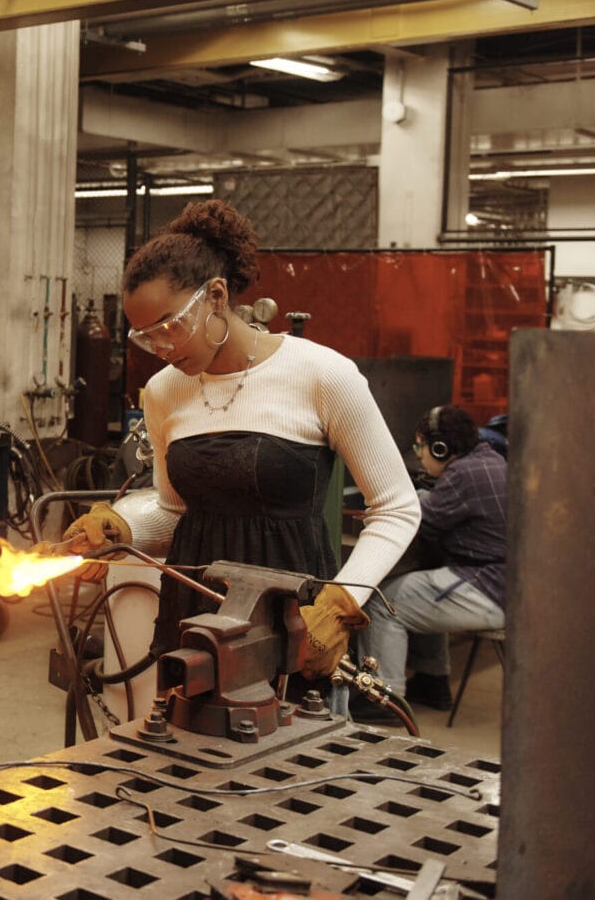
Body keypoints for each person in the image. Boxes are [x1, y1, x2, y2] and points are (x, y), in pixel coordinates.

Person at [63, 199, 420, 692]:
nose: (162, 349)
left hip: (293, 618)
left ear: (215, 295)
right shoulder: (165, 391)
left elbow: (397, 508)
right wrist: (125, 527)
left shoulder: (322, 374)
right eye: (146, 338)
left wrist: (342, 601)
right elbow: (177, 512)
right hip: (195, 615)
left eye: (169, 327)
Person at [354, 404, 507, 719]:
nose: (420, 455)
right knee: (422, 585)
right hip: (505, 585)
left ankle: (384, 699)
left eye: (420, 447)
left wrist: (395, 505)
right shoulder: (491, 460)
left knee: (383, 602)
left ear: (441, 448)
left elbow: (422, 521)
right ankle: (432, 680)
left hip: (489, 587)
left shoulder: (464, 474)